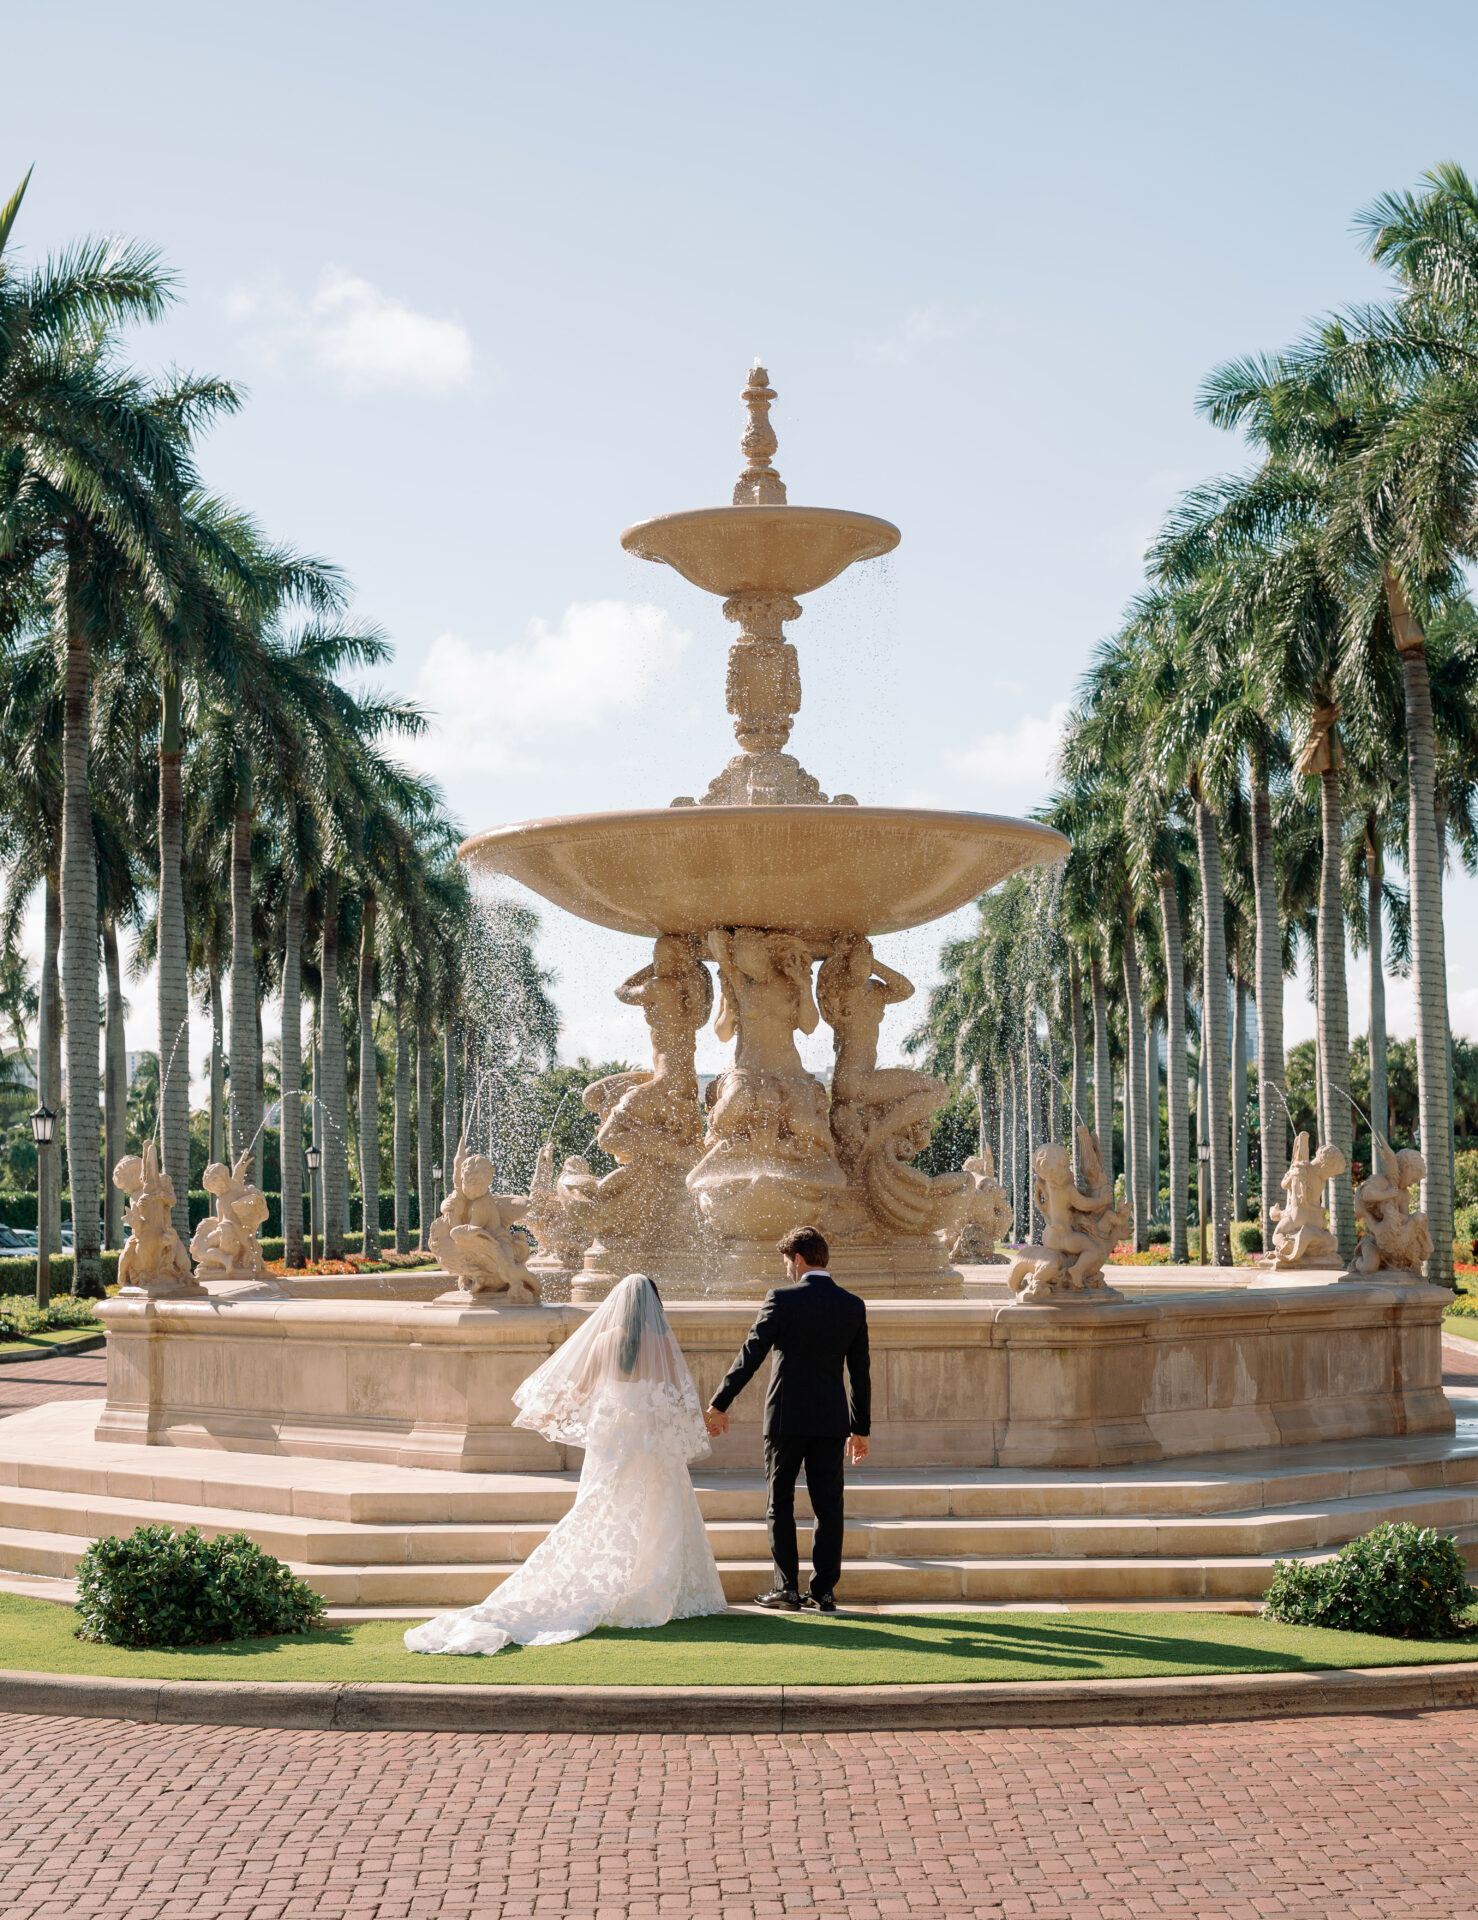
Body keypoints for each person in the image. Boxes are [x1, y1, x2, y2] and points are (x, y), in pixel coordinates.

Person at [405, 1273, 726, 1655]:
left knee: (601, 1507)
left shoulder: (605, 1341)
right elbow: (676, 1398)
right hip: (651, 1442)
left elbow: (580, 1391)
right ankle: (652, 1587)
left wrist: (549, 1413)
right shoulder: (661, 1343)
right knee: (659, 1512)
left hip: (613, 1440)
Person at [704, 1225, 870, 1613]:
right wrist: (859, 1429)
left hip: (786, 1419)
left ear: (798, 1259)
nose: (785, 1270)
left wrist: (719, 1403)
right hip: (832, 1421)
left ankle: (787, 1589)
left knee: (780, 1502)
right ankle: (824, 1591)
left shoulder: (781, 1299)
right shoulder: (852, 1305)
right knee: (829, 1506)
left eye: (786, 1261)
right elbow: (860, 1374)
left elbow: (751, 1355)